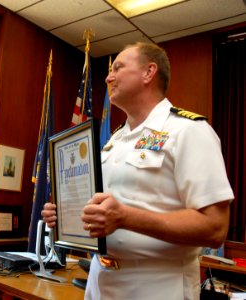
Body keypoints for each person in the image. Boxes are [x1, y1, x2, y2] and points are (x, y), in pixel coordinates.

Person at [42, 42, 234, 300]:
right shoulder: (115, 139)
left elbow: (215, 228)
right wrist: (68, 216)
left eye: (118, 68)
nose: (109, 77)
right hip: (100, 281)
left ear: (148, 72)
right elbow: (105, 210)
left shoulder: (188, 131)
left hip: (156, 286)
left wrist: (126, 217)